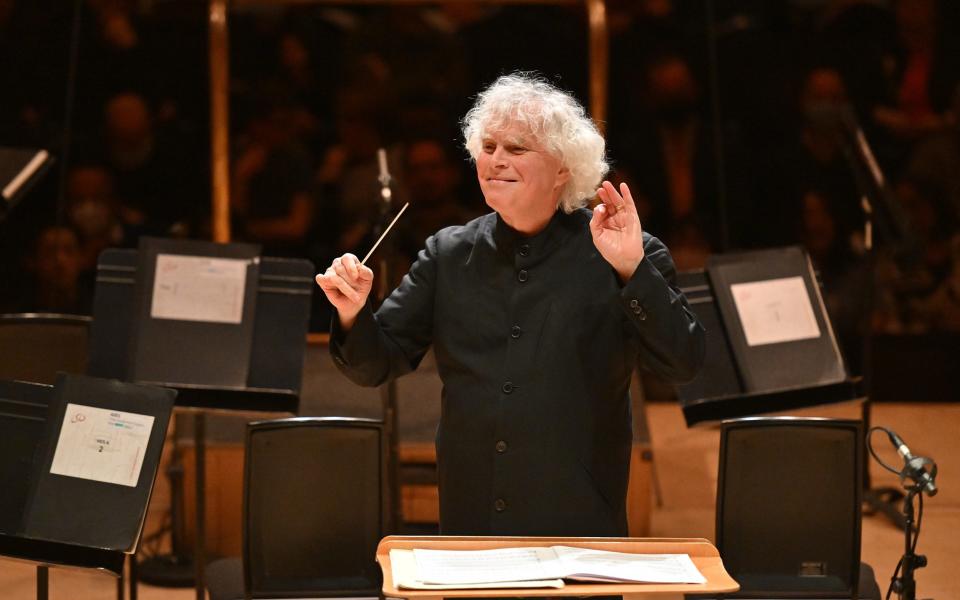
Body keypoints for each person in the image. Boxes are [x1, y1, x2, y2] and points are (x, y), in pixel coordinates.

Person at [315, 74, 705, 536]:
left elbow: (683, 362)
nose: (496, 160)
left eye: (517, 148)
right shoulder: (448, 254)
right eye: (489, 146)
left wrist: (632, 271)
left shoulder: (626, 251)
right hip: (471, 523)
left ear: (563, 168)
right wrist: (352, 311)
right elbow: (375, 363)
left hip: (578, 524)